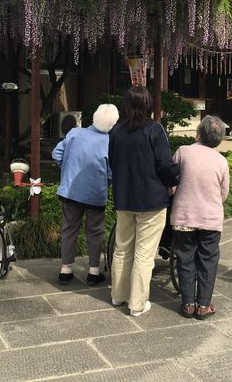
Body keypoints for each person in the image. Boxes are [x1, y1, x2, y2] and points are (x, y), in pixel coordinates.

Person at [108, 85, 179, 317]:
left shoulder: (116, 131)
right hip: (151, 199)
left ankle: (118, 296)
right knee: (144, 253)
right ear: (148, 105)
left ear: (126, 105)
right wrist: (174, 179)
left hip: (124, 198)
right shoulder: (154, 130)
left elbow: (112, 163)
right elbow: (165, 166)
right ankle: (137, 304)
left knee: (122, 248)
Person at [52, 104, 119, 287]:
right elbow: (112, 172)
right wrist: (106, 183)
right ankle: (93, 272)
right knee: (95, 231)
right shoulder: (110, 143)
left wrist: (66, 169)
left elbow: (56, 153)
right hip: (95, 195)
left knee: (69, 228)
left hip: (70, 191)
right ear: (113, 124)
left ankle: (65, 270)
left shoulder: (74, 133)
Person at [171, 115, 230, 320]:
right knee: (208, 260)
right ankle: (203, 305)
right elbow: (224, 193)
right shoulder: (221, 161)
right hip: (210, 218)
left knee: (185, 258)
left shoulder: (183, 152)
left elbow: (172, 183)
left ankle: (187, 304)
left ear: (198, 134)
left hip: (184, 216)